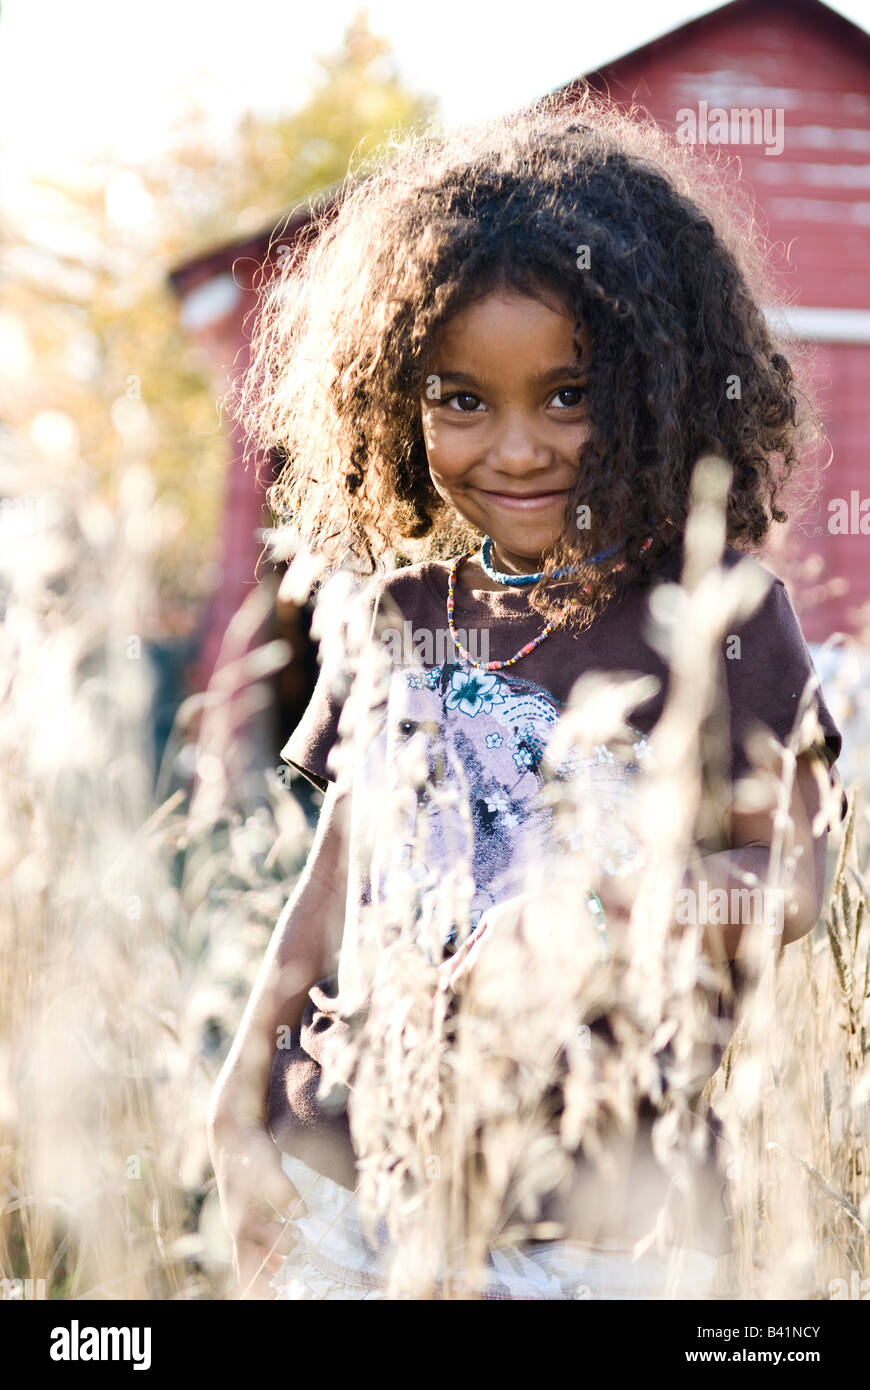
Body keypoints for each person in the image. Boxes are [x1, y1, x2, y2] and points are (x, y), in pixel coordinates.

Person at [207, 97, 845, 1300]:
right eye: (463, 399)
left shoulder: (728, 617)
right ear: (398, 399)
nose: (516, 449)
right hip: (354, 1184)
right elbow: (333, 881)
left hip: (599, 1221)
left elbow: (797, 881)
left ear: (661, 385)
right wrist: (238, 1099)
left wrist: (607, 909)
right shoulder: (394, 613)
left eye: (568, 394)